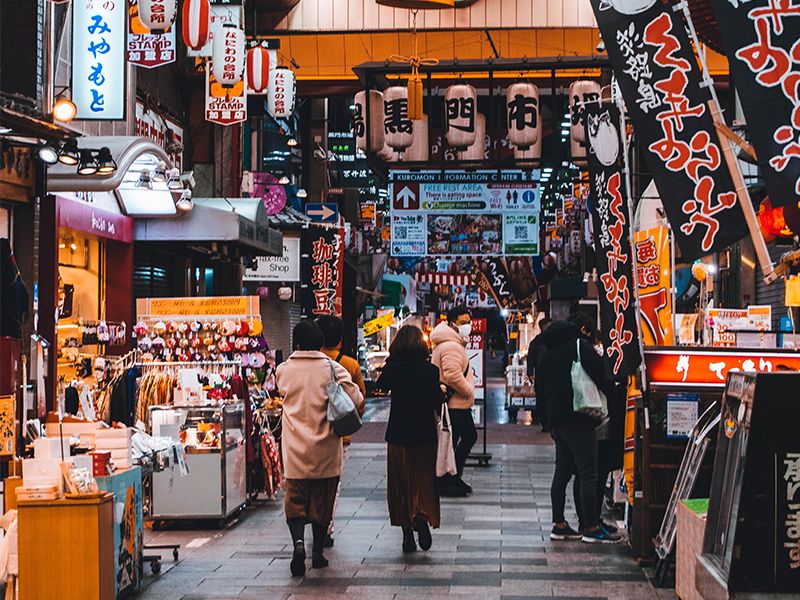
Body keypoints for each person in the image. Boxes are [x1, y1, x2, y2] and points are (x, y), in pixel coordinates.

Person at [275, 320, 365, 576]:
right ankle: (317, 554)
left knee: (295, 501)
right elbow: (356, 398)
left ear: (298, 343)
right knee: (322, 503)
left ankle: (298, 545)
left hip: (294, 449)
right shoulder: (333, 369)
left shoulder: (284, 370)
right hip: (325, 448)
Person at [535, 312, 621, 544]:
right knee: (588, 472)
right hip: (578, 416)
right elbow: (602, 376)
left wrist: (547, 420)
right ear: (583, 330)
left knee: (562, 473)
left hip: (557, 422)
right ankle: (591, 526)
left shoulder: (546, 351)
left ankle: (559, 524)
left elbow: (539, 390)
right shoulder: (579, 346)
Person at [376, 325, 444, 553]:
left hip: (398, 434)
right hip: (424, 434)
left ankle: (407, 531)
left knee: (400, 481)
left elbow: (380, 385)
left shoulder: (394, 369)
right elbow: (437, 401)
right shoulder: (430, 371)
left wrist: (392, 361)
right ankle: (422, 515)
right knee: (423, 479)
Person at [316, 314, 368, 548]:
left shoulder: (309, 364)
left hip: (309, 432)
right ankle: (326, 527)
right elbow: (361, 401)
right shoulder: (350, 364)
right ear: (340, 341)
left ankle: (311, 522)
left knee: (308, 481)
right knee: (332, 483)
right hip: (340, 435)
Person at [430, 305, 475, 497]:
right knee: (459, 439)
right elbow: (452, 374)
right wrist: (468, 390)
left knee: (455, 440)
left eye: (468, 322)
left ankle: (451, 477)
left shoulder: (451, 342)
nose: (467, 326)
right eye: (463, 323)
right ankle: (447, 479)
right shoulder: (451, 345)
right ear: (452, 323)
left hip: (456, 404)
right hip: (455, 404)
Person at [526, 316, 552, 428]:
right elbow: (530, 358)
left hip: (551, 374)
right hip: (541, 375)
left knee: (549, 398)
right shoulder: (536, 342)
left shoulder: (554, 341)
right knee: (542, 399)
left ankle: (549, 422)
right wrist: (530, 373)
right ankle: (545, 422)